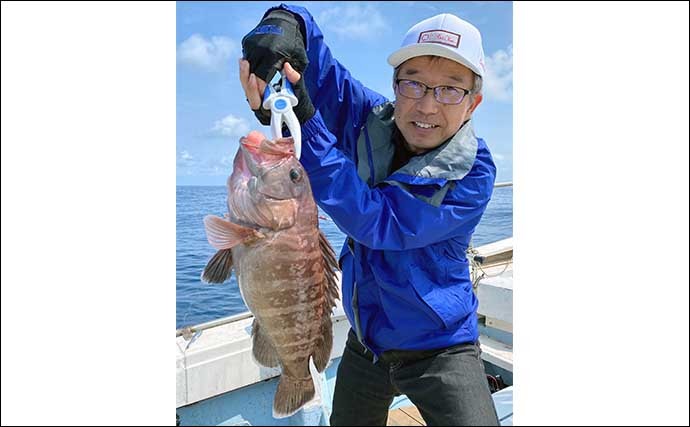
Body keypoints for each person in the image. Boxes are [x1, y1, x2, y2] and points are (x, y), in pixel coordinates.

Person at [239, 4, 500, 426]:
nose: (428, 106)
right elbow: (323, 76)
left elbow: (380, 222)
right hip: (367, 343)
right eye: (413, 84)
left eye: (450, 89)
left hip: (441, 346)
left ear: (474, 103)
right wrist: (286, 21)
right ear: (395, 86)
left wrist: (305, 121)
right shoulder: (372, 118)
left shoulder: (475, 172)